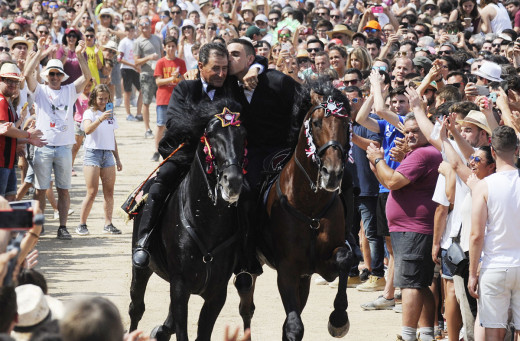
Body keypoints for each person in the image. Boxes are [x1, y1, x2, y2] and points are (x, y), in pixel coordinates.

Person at [367, 113, 442, 341]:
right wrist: (376, 164)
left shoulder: (423, 154)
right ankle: (427, 334)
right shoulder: (419, 153)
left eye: (415, 131)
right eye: (406, 131)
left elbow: (391, 181)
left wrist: (379, 160)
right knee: (419, 284)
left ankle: (409, 336)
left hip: (414, 230)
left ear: (427, 133)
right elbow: (387, 181)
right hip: (410, 229)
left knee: (410, 285)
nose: (409, 135)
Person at [24, 38, 92, 240]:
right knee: (40, 189)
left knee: (63, 190)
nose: (54, 77)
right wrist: (39, 53)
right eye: (51, 74)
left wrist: (80, 56)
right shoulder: (41, 90)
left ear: (62, 76)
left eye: (57, 74)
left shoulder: (69, 90)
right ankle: (39, 225)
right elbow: (27, 75)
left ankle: (62, 227)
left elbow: (86, 77)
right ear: (47, 76)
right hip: (43, 146)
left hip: (63, 147)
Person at [468, 125, 520, 341]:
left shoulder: (483, 186)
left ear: (494, 152)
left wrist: (472, 273)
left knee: (493, 332)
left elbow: (476, 235)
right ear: (516, 150)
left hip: (495, 266)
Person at [76, 84, 122, 236]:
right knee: (92, 192)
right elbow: (87, 130)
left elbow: (112, 137)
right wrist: (100, 119)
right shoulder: (90, 113)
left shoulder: (110, 114)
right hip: (93, 153)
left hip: (108, 154)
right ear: (94, 98)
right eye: (100, 98)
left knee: (109, 192)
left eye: (105, 98)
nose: (103, 101)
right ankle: (82, 223)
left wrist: (118, 158)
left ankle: (108, 223)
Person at [0, 62, 45, 200]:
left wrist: (27, 140)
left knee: (10, 200)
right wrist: (29, 134)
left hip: (8, 161)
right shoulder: (1, 101)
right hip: (1, 163)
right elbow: (6, 131)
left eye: (15, 81)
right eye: (8, 80)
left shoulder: (7, 103)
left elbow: (8, 133)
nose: (13, 84)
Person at [151, 36, 186, 162]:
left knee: (176, 125)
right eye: (168, 46)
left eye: (173, 46)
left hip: (177, 98)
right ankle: (156, 150)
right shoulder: (160, 62)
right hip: (163, 98)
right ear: (165, 48)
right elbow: (158, 82)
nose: (171, 48)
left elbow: (184, 80)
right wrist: (171, 79)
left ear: (176, 47)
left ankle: (174, 149)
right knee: (161, 125)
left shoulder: (180, 62)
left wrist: (179, 77)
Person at [134, 16, 163, 139]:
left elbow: (162, 55)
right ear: (139, 27)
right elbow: (136, 61)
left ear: (150, 24)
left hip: (159, 75)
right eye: (142, 24)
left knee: (161, 102)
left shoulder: (157, 39)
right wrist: (149, 58)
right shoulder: (138, 42)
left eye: (146, 23)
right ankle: (147, 129)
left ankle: (161, 127)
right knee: (146, 102)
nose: (144, 26)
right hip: (146, 75)